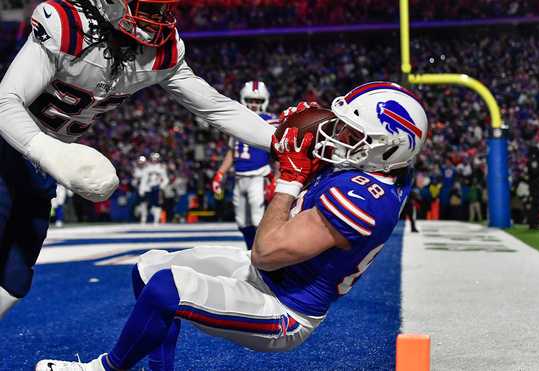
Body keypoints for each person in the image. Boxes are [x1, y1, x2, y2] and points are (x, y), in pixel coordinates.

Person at [35, 81, 428, 371]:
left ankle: (105, 369)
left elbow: (267, 253)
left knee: (166, 288)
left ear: (387, 150)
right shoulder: (388, 166)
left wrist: (290, 179)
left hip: (284, 308)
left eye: (352, 134)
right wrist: (312, 129)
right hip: (266, 276)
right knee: (148, 267)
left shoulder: (364, 199)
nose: (338, 136)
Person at [0, 0, 274, 319]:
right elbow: (5, 101)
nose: (159, 19)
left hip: (43, 166)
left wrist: (282, 140)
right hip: (11, 149)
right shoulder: (67, 27)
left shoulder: (161, 52)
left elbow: (216, 107)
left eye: (164, 9)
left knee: (15, 278)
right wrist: (52, 152)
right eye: (151, 8)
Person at [212, 81, 278, 248]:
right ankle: (250, 250)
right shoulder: (236, 119)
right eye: (250, 100)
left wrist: (277, 178)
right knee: (242, 221)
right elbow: (232, 151)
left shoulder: (270, 121)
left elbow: (279, 153)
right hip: (239, 177)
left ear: (265, 102)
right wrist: (220, 174)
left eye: (258, 101)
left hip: (259, 176)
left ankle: (262, 253)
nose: (254, 104)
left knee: (258, 218)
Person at [138, 153, 169, 225]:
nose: (154, 160)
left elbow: (166, 179)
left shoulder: (161, 168)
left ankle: (156, 220)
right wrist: (142, 188)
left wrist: (161, 186)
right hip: (148, 187)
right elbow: (144, 179)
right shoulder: (147, 167)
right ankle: (143, 219)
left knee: (156, 204)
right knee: (144, 204)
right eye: (153, 158)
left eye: (156, 159)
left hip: (156, 187)